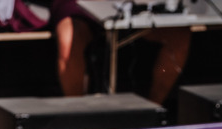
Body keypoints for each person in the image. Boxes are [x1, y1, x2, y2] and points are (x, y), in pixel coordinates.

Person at [49, 0, 190, 104]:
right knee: (68, 42)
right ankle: (76, 115)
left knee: (179, 35)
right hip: (78, 7)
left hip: (135, 6)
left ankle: (154, 109)